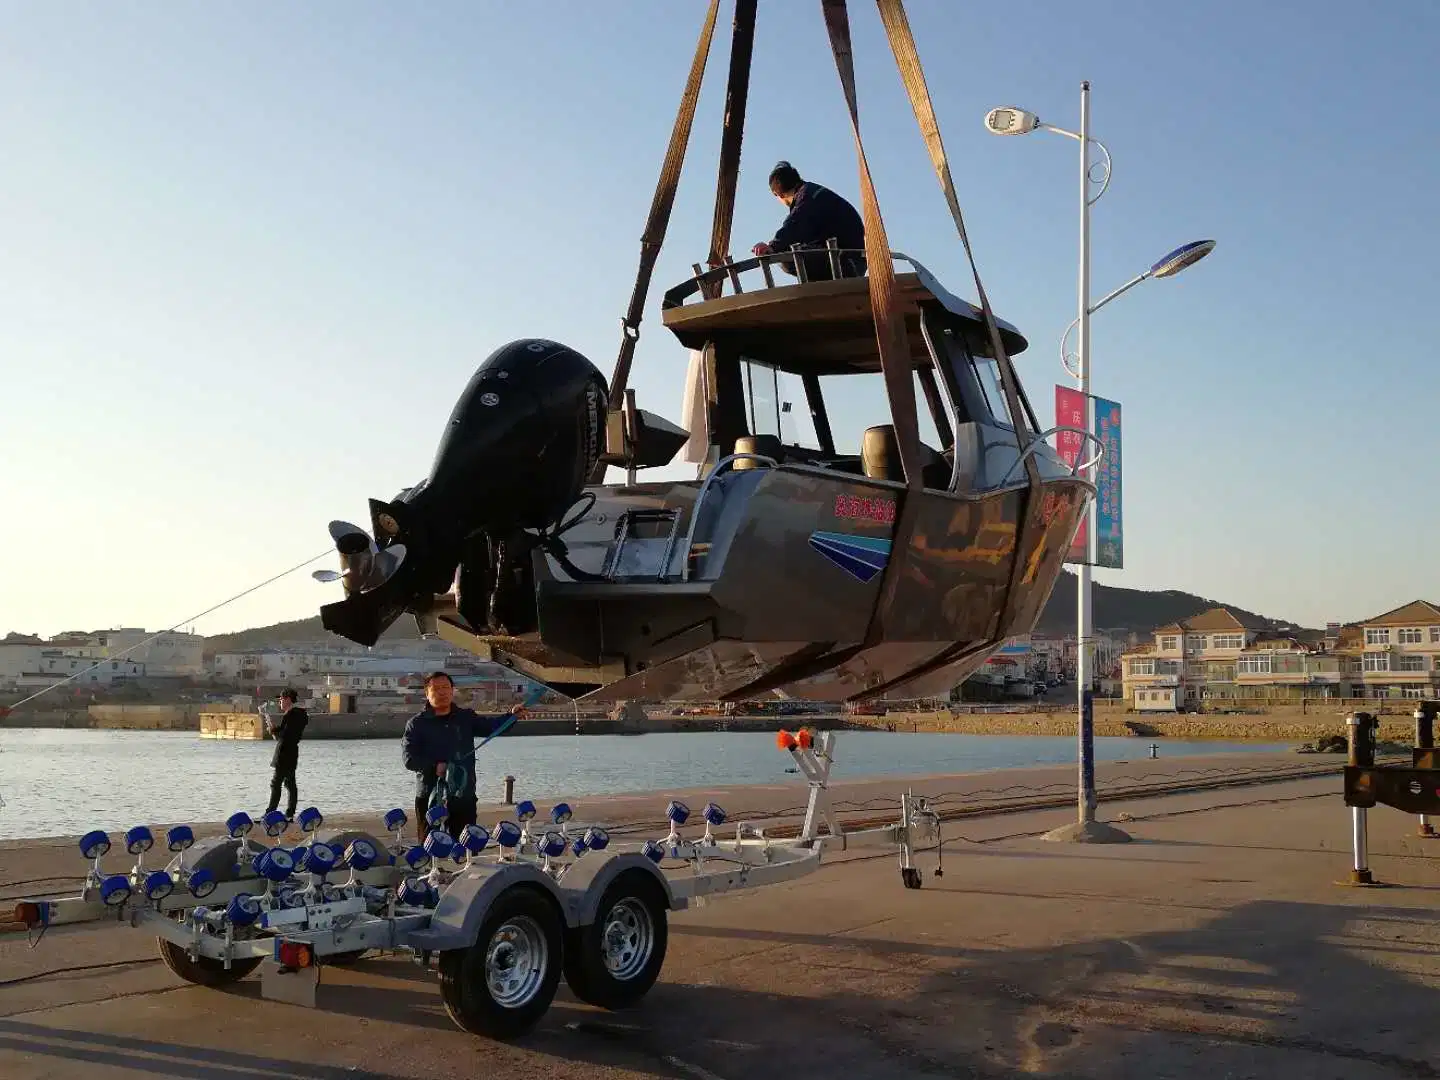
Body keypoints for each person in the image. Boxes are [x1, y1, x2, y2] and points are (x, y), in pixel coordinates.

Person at [401, 671, 527, 843]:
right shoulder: (416, 724)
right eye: (436, 688)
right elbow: (409, 759)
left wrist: (512, 716)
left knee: (466, 847)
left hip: (463, 795)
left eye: (446, 687)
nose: (442, 692)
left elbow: (491, 727)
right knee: (431, 847)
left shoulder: (465, 717)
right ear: (427, 693)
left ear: (452, 691)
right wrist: (434, 766)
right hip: (429, 796)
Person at [751, 161, 866, 281]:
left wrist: (773, 247)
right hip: (853, 260)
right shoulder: (814, 193)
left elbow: (795, 224)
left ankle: (818, 289)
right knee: (797, 251)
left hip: (847, 263)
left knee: (786, 257)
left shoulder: (807, 197)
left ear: (778, 194)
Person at [264, 688, 308, 821]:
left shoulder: (291, 714)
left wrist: (272, 730)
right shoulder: (300, 714)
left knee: (276, 783)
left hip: (284, 753)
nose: (280, 702)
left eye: (281, 699)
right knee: (290, 784)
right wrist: (275, 730)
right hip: (292, 752)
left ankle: (270, 814)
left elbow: (286, 734)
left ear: (288, 699)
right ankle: (289, 813)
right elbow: (288, 733)